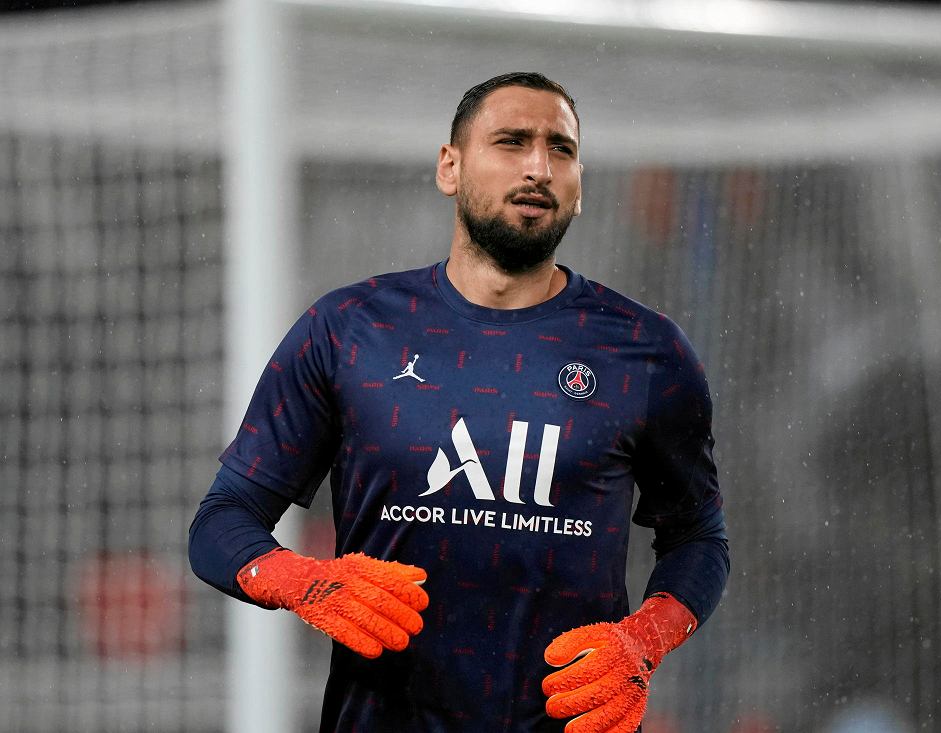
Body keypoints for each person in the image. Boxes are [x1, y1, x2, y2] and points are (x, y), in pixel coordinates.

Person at [189, 71, 729, 733]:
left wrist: (643, 640)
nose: (538, 167)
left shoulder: (647, 350)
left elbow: (699, 538)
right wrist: (304, 583)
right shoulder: (350, 329)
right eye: (512, 141)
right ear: (450, 167)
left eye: (560, 149)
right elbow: (221, 521)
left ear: (579, 185)